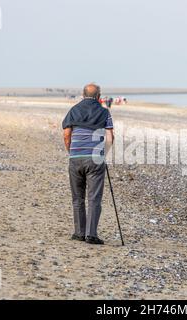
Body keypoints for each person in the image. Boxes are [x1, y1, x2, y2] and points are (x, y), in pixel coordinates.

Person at [62, 84, 114, 245]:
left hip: (75, 157)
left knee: (77, 198)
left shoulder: (73, 110)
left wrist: (71, 152)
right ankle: (91, 234)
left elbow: (66, 135)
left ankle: (79, 233)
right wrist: (103, 154)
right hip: (95, 159)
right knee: (94, 198)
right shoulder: (104, 112)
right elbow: (110, 137)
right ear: (99, 96)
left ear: (83, 95)